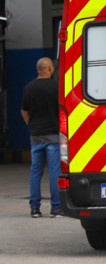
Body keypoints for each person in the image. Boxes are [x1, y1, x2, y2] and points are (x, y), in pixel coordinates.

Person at [22, 57, 61, 218]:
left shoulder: (28, 87)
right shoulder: (56, 87)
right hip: (53, 135)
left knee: (35, 172)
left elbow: (24, 111)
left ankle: (35, 208)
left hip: (36, 136)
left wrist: (31, 126)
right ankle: (56, 208)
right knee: (54, 171)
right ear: (50, 69)